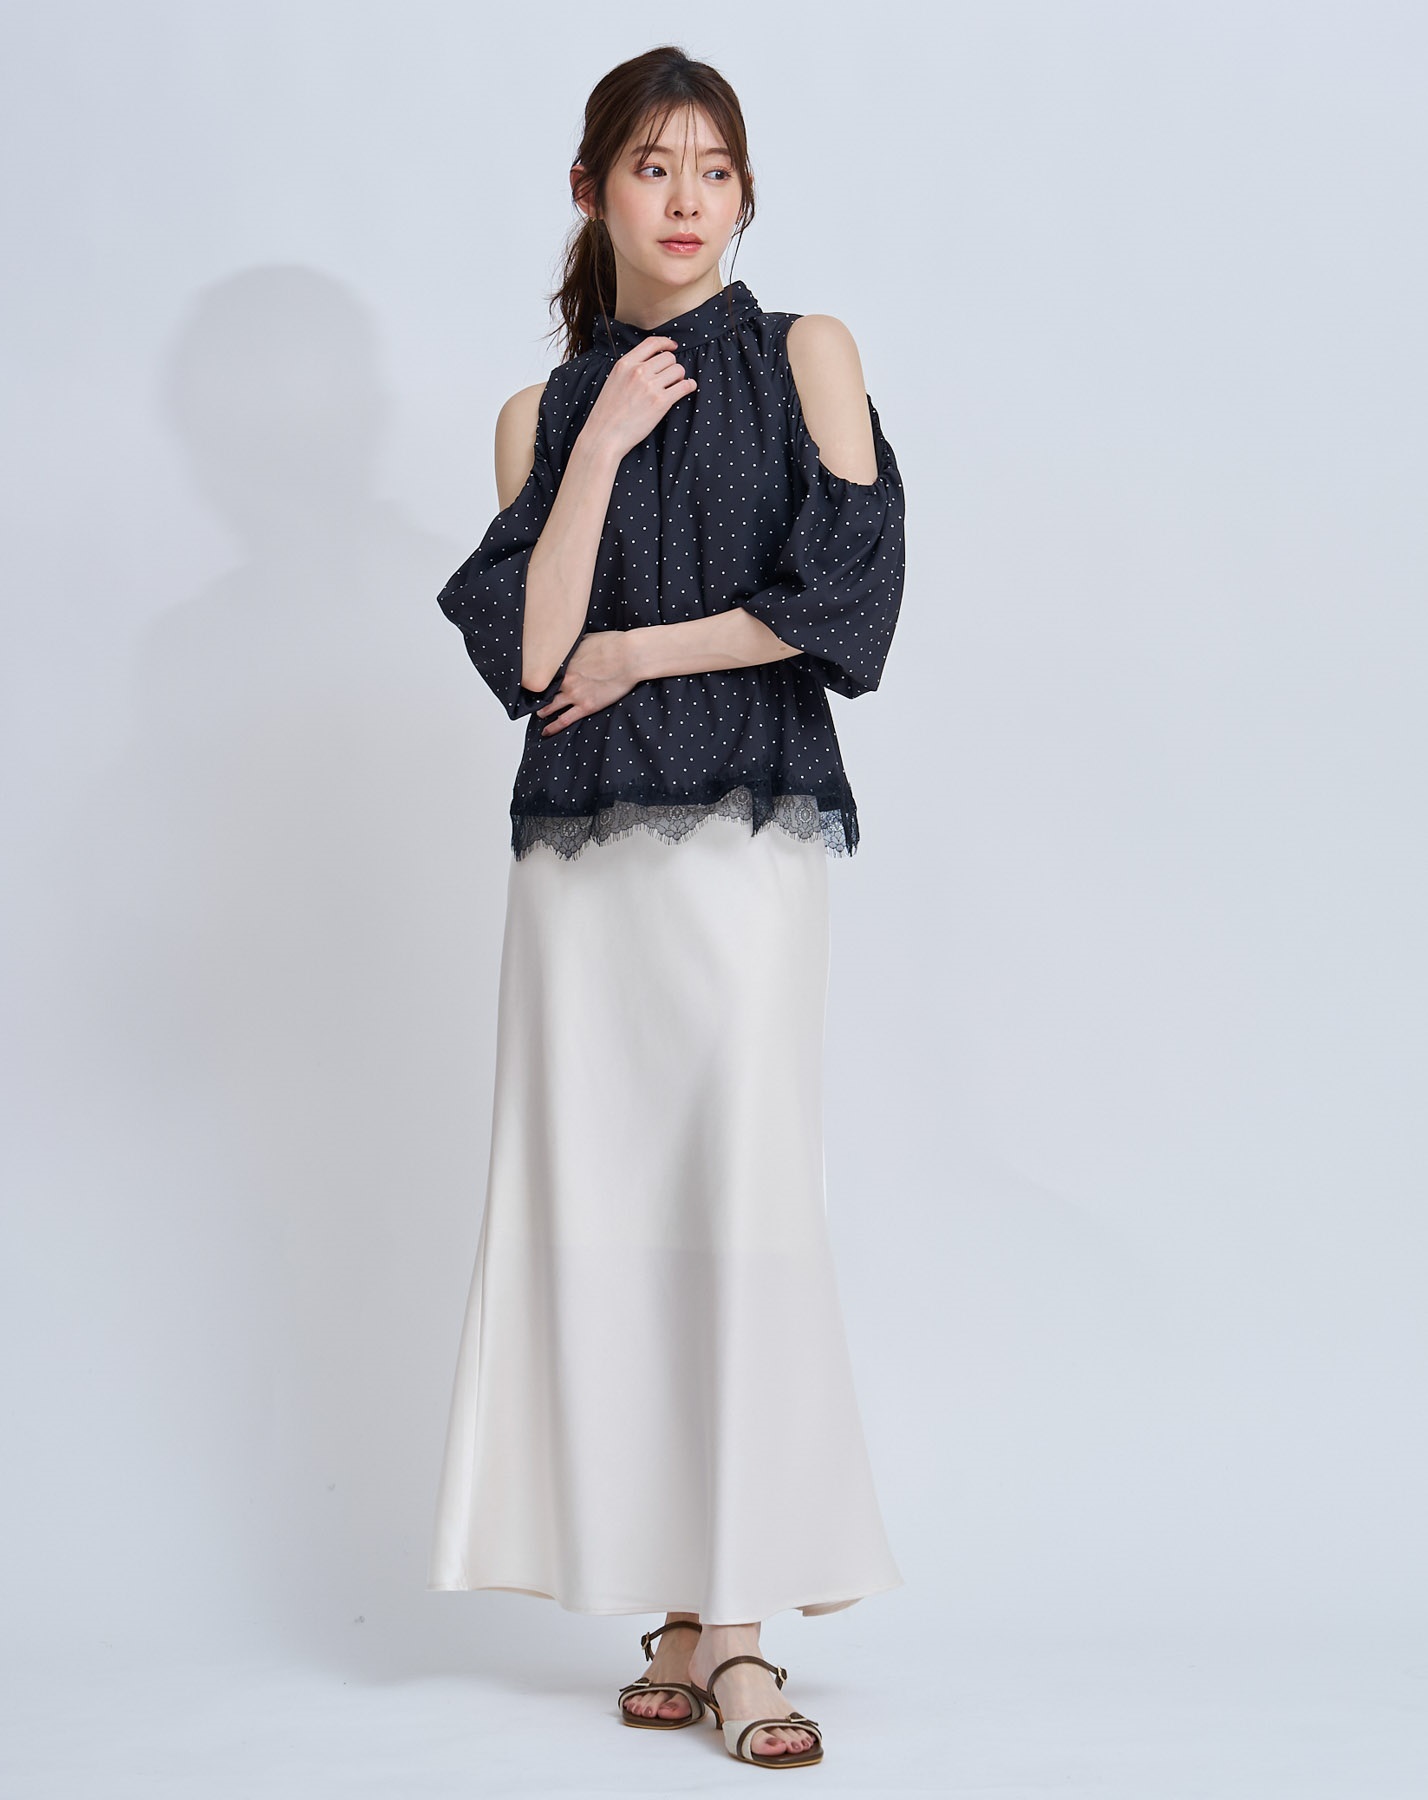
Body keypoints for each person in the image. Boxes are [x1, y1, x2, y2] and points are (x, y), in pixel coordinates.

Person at [429, 45, 906, 1771]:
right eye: (652, 166)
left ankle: (747, 1630)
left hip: (745, 842)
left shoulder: (806, 355)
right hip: (583, 871)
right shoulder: (537, 414)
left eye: (713, 168)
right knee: (613, 1214)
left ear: (747, 193)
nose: (686, 197)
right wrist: (602, 446)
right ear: (592, 191)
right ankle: (690, 1619)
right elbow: (528, 653)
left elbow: (845, 605)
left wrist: (642, 651)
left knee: (748, 1197)